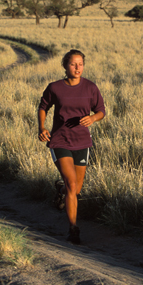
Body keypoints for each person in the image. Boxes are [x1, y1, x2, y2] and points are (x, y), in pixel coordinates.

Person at [38, 49, 105, 244]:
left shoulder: (91, 87)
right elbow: (43, 107)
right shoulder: (55, 87)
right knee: (72, 183)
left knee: (75, 190)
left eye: (80, 64)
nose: (77, 68)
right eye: (73, 64)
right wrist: (41, 127)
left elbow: (101, 111)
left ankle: (61, 192)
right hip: (59, 140)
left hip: (82, 142)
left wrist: (93, 118)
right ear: (65, 66)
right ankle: (73, 229)